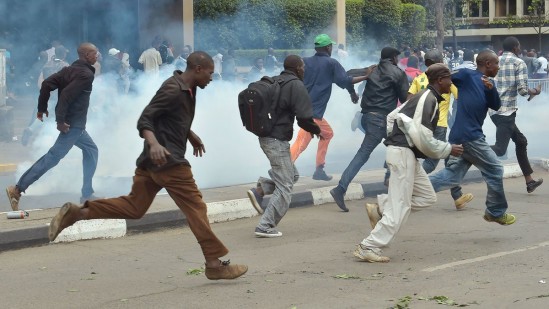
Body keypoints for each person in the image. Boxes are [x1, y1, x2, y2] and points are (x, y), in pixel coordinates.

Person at [47, 51, 248, 281]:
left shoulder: (186, 87)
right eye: (211, 73)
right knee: (196, 208)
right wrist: (153, 143)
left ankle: (79, 212)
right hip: (169, 162)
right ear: (198, 69)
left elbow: (171, 117)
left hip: (151, 164)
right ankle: (214, 264)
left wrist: (189, 134)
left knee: (134, 208)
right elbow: (146, 118)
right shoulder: (173, 89)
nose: (212, 78)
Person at [354, 64, 463, 263]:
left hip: (405, 154)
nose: (451, 82)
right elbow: (423, 136)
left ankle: (382, 207)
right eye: (448, 78)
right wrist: (448, 149)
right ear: (440, 80)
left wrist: (397, 139)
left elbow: (392, 117)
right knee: (400, 206)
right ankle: (369, 246)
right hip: (403, 154)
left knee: (427, 197)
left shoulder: (424, 96)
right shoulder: (428, 99)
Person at [5, 43, 100, 211]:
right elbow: (66, 95)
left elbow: (47, 85)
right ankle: (17, 189)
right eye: (94, 53)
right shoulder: (85, 74)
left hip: (76, 127)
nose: (97, 56)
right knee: (52, 158)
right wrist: (60, 122)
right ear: (85, 55)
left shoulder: (68, 70)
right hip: (72, 127)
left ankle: (86, 193)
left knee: (91, 150)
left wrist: (42, 108)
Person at [429, 50, 517, 226]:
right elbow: (447, 76)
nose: (498, 67)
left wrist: (491, 90)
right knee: (495, 170)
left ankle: (404, 192)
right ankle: (495, 211)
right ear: (487, 64)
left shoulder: (488, 83)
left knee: (452, 176)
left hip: (463, 135)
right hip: (469, 136)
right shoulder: (468, 75)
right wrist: (435, 71)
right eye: (496, 64)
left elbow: (496, 105)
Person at [246, 55, 321, 238]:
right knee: (286, 184)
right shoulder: (296, 85)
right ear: (297, 68)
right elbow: (304, 117)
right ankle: (265, 226)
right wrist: (316, 129)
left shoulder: (276, 81)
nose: (304, 70)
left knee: (292, 175)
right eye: (303, 67)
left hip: (268, 138)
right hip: (276, 140)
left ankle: (261, 189)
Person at [330, 47, 407, 211]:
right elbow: (404, 99)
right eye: (397, 58)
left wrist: (364, 75)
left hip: (367, 117)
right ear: (393, 58)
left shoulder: (372, 69)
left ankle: (388, 175)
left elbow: (347, 74)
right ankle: (340, 188)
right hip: (380, 119)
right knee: (369, 152)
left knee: (397, 142)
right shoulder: (398, 73)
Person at [290, 34, 369, 181]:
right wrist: (366, 77)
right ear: (328, 47)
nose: (331, 48)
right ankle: (282, 168)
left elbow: (341, 80)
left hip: (304, 108)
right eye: (331, 46)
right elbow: (345, 80)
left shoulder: (305, 62)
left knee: (327, 134)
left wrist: (352, 92)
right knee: (301, 143)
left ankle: (319, 169)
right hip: (311, 112)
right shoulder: (331, 63)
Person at [408, 49, 473, 210]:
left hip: (422, 125)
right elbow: (460, 97)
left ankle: (457, 196)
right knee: (433, 160)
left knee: (448, 157)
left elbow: (409, 100)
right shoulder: (444, 79)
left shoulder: (419, 79)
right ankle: (413, 187)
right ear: (438, 62)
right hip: (440, 125)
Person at [490, 36, 543, 193]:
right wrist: (535, 91)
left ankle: (529, 181)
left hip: (494, 110)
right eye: (519, 47)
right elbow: (522, 90)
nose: (520, 49)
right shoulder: (518, 63)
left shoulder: (494, 60)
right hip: (506, 111)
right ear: (515, 48)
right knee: (500, 149)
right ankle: (468, 150)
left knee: (521, 141)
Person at [21, 46, 70, 146]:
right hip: (58, 94)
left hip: (48, 93)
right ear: (64, 54)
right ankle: (43, 135)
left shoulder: (47, 65)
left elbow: (42, 80)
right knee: (58, 116)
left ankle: (34, 131)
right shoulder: (65, 65)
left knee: (48, 115)